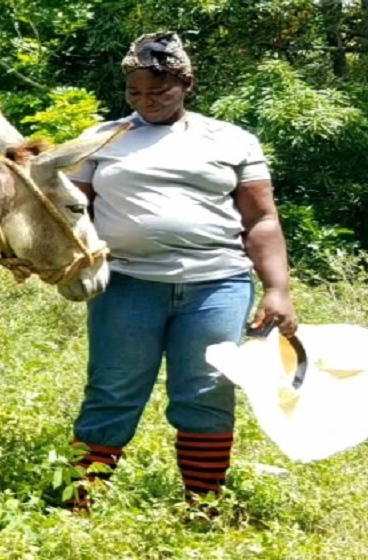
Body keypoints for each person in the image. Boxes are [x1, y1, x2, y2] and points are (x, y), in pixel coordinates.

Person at [66, 32, 298, 509]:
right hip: (126, 284)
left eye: (159, 92)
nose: (146, 102)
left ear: (186, 83)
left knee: (206, 391)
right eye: (135, 93)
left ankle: (203, 506)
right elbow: (67, 210)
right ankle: (78, 504)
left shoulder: (232, 139)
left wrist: (278, 289)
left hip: (216, 285)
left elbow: (261, 219)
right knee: (112, 391)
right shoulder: (101, 138)